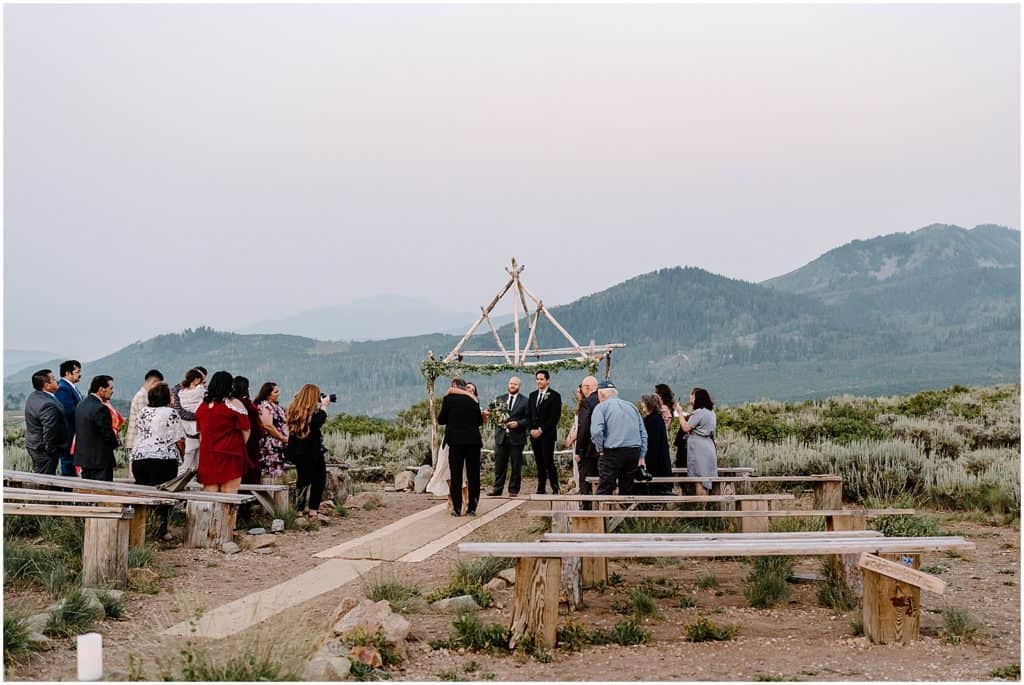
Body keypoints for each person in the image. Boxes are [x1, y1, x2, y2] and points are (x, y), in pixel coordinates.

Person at [129, 382, 184, 539]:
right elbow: (179, 438)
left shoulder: (143, 412)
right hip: (163, 459)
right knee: (164, 495)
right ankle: (161, 529)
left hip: (140, 458)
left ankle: (142, 528)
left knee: (143, 493)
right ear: (166, 397)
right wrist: (182, 454)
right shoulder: (171, 413)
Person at [195, 371, 250, 494]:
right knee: (229, 492)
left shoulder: (202, 406)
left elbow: (201, 433)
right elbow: (246, 429)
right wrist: (240, 446)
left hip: (207, 453)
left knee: (210, 492)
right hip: (230, 452)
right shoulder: (234, 404)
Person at [590, 380, 647, 496]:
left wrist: (600, 449)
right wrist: (642, 455)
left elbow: (596, 432)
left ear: (601, 394)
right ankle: (626, 512)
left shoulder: (601, 408)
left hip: (611, 452)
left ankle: (604, 513)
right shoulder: (632, 406)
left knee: (605, 488)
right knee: (627, 488)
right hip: (633, 451)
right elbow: (643, 433)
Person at [437, 378, 483, 517]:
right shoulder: (474, 400)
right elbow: (479, 421)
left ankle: (456, 508)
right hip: (473, 441)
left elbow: (441, 420)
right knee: (473, 475)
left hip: (455, 442)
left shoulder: (449, 399)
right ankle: (472, 508)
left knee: (456, 475)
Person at [286, 385, 331, 522]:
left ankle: (299, 509)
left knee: (303, 479)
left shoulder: (295, 410)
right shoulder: (312, 414)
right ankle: (313, 511)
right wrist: (324, 406)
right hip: (311, 451)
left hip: (297, 451)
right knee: (319, 479)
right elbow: (317, 422)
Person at [488, 376, 529, 497]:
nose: (512, 386)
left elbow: (529, 419)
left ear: (519, 386)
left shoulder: (525, 401)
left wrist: (518, 424)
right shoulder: (500, 399)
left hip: (517, 438)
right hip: (501, 437)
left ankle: (513, 490)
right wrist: (498, 421)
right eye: (511, 383)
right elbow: (493, 415)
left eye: (515, 384)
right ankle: (497, 489)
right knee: (499, 465)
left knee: (516, 465)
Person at [74, 375, 120, 481]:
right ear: (101, 390)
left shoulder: (81, 405)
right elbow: (107, 433)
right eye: (111, 388)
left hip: (84, 459)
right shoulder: (101, 408)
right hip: (100, 460)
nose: (112, 391)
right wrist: (116, 443)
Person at [24, 369, 68, 475]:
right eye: (53, 379)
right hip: (43, 451)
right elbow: (50, 430)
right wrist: (51, 451)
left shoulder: (33, 396)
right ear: (46, 385)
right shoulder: (48, 404)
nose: (56, 381)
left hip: (33, 445)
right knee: (46, 479)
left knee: (41, 475)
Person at [527, 369, 562, 495]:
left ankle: (555, 487)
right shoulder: (532, 396)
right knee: (539, 462)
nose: (539, 381)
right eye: (537, 379)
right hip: (534, 435)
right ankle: (541, 488)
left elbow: (554, 417)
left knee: (548, 461)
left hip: (547, 435)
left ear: (547, 380)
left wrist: (541, 429)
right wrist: (531, 429)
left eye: (542, 379)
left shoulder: (555, 396)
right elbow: (529, 415)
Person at [679, 387, 718, 496]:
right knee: (706, 478)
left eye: (693, 396)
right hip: (708, 445)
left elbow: (686, 427)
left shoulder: (699, 413)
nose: (690, 397)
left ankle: (701, 507)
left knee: (699, 479)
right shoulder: (710, 413)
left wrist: (680, 413)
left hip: (698, 448)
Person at [232, 376, 265, 484]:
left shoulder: (230, 404)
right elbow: (255, 428)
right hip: (250, 443)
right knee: (251, 473)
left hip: (235, 443)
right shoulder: (247, 406)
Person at [254, 382, 289, 482]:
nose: (278, 393)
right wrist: (282, 438)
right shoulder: (265, 406)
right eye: (275, 392)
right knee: (270, 473)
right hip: (270, 446)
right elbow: (268, 425)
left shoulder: (275, 406)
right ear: (268, 393)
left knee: (277, 473)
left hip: (278, 446)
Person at [173, 368, 206, 473]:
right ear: (196, 379)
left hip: (186, 425)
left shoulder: (181, 392)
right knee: (198, 454)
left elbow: (179, 409)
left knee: (189, 452)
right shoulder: (200, 390)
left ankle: (185, 474)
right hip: (198, 425)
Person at [54, 360, 82, 476]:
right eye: (77, 372)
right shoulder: (63, 388)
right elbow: (69, 412)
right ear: (67, 373)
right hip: (68, 435)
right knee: (68, 463)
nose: (80, 374)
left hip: (73, 434)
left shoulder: (72, 387)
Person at [640, 394, 672, 493]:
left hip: (653, 463)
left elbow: (651, 445)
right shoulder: (658, 420)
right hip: (661, 462)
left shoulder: (650, 421)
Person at [574, 376, 600, 497]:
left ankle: (586, 508)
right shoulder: (603, 399)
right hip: (603, 450)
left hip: (588, 450)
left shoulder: (586, 402)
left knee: (585, 480)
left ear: (587, 387)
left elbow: (583, 427)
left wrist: (579, 450)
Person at [125, 369, 164, 451]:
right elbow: (144, 420)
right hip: (137, 441)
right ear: (153, 381)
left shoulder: (144, 394)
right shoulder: (142, 396)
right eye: (158, 385)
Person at [564, 385, 584, 493]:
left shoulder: (586, 407)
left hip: (579, 439)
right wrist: (569, 436)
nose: (576, 393)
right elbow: (575, 424)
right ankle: (577, 485)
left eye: (578, 391)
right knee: (575, 466)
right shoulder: (579, 406)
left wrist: (574, 437)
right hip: (575, 439)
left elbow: (582, 426)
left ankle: (580, 487)